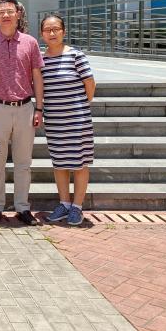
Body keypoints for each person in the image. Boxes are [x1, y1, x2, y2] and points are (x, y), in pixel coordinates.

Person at [0, 0, 45, 226]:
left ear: (18, 14)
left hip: (25, 107)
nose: (6, 15)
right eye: (1, 11)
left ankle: (23, 207)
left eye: (10, 11)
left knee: (23, 163)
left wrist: (39, 107)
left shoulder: (30, 42)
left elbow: (37, 76)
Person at [40, 14, 96, 226]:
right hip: (54, 120)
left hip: (77, 120)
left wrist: (79, 106)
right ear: (42, 33)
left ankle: (77, 207)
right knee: (60, 163)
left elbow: (90, 85)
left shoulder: (76, 56)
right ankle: (64, 203)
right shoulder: (41, 59)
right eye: (48, 29)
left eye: (56, 29)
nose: (52, 33)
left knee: (80, 164)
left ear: (64, 31)